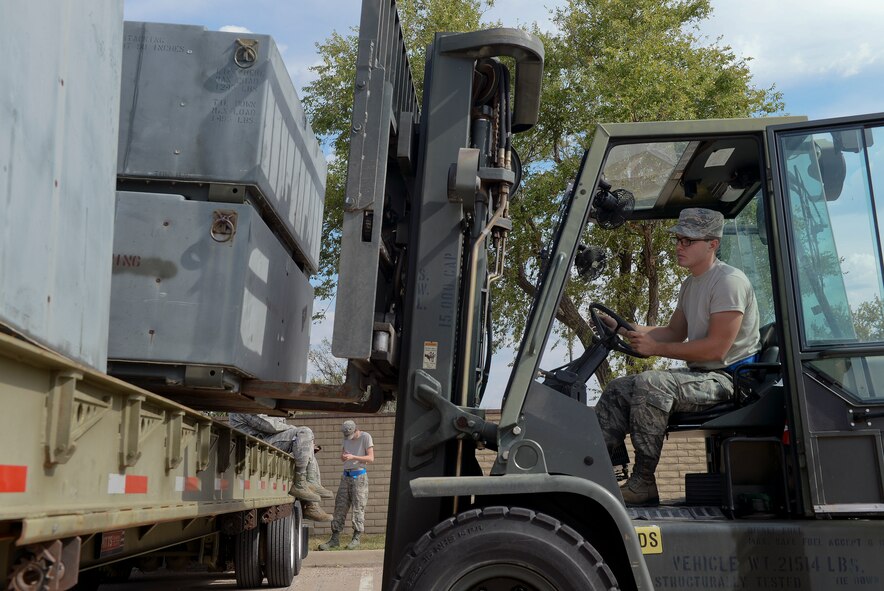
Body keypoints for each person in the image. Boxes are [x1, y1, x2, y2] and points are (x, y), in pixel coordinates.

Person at [595, 208, 760, 507]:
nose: (679, 246)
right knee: (617, 389)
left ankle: (643, 482)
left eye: (688, 241)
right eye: (678, 240)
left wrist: (653, 349)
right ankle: (604, 475)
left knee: (652, 383)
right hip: (702, 375)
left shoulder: (729, 282)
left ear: (713, 244)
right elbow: (673, 332)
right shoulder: (690, 284)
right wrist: (623, 328)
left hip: (729, 379)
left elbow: (715, 350)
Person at [228, 413, 333, 522]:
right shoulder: (243, 405)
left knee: (306, 444)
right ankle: (300, 485)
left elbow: (277, 423)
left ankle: (312, 495)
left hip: (262, 444)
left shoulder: (257, 402)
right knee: (304, 433)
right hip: (253, 447)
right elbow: (269, 426)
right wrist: (294, 429)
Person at [318, 420, 374, 550]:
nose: (348, 438)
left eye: (350, 435)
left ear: (356, 430)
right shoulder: (346, 439)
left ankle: (356, 538)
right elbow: (344, 455)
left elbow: (371, 458)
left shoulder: (366, 437)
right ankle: (335, 539)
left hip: (359, 476)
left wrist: (353, 457)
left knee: (358, 507)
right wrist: (343, 457)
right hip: (346, 476)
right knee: (340, 507)